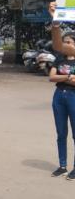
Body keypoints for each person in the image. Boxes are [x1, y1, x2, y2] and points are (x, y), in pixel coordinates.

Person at [48, 32, 75, 180]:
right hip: (58, 96)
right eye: (64, 42)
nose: (65, 45)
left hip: (73, 96)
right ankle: (62, 165)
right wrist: (68, 77)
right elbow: (51, 77)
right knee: (61, 133)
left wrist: (62, 78)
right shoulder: (59, 58)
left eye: (69, 42)